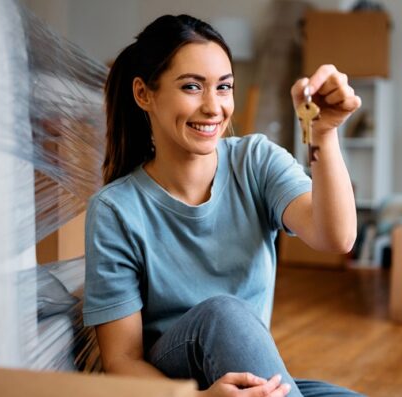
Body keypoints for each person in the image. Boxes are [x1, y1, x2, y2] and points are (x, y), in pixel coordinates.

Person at [83, 14, 362, 397]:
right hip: (174, 385)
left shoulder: (256, 160)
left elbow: (336, 237)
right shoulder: (115, 210)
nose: (214, 107)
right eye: (192, 87)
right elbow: (122, 360)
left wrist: (324, 134)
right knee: (223, 315)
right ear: (144, 94)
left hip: (250, 374)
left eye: (224, 87)